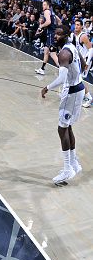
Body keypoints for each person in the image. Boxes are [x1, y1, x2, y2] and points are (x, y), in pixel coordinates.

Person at [41, 25, 86, 185]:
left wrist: (46, 87)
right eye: (55, 33)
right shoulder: (72, 46)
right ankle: (74, 163)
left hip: (72, 92)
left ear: (66, 35)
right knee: (68, 127)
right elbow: (83, 62)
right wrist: (78, 73)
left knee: (62, 128)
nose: (55, 36)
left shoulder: (63, 53)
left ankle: (67, 169)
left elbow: (61, 79)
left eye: (59, 34)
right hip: (79, 88)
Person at [69, 19, 93, 108]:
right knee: (75, 78)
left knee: (79, 79)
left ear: (82, 26)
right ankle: (80, 95)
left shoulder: (83, 36)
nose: (76, 26)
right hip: (80, 61)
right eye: (75, 24)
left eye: (78, 25)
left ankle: (89, 98)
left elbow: (91, 49)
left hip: (85, 61)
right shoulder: (76, 35)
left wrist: (86, 63)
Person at [35, 0, 60, 75]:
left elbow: (48, 22)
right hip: (52, 33)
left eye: (44, 4)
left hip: (51, 35)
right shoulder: (52, 12)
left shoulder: (46, 11)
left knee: (52, 53)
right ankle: (42, 69)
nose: (43, 6)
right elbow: (59, 21)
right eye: (43, 5)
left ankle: (63, 70)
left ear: (48, 5)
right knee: (46, 51)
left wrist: (41, 26)